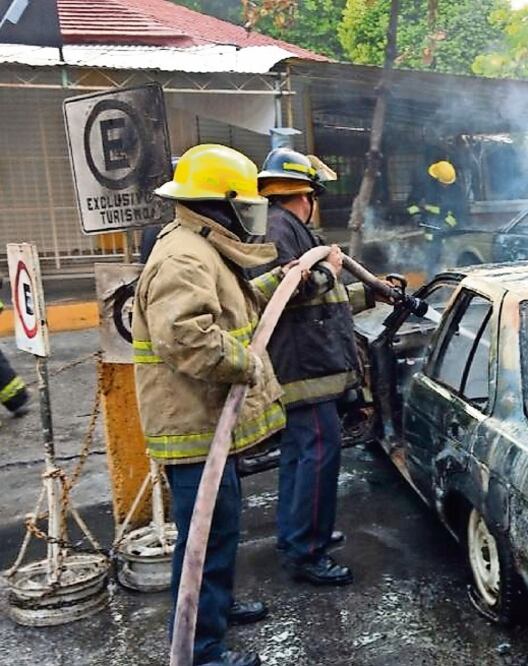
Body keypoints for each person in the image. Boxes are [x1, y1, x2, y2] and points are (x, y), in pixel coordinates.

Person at [132, 143, 335, 666]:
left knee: (216, 532)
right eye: (242, 204)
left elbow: (236, 305)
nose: (250, 213)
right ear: (219, 203)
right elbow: (186, 338)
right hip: (193, 422)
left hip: (201, 417)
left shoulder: (200, 246)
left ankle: (213, 610)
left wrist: (289, 279)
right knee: (205, 536)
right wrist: (247, 362)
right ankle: (201, 650)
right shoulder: (184, 256)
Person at [254, 148, 383, 585]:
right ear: (304, 194)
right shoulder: (279, 231)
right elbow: (284, 293)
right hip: (303, 372)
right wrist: (329, 266)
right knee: (314, 460)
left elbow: (324, 303)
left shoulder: (288, 229)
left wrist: (370, 294)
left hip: (311, 369)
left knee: (302, 458)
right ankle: (307, 551)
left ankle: (305, 535)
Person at [406, 159, 466, 276]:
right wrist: (416, 215)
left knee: (452, 263)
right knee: (432, 262)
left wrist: (447, 225)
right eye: (443, 182)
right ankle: (432, 283)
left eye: (448, 183)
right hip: (431, 233)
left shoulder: (457, 191)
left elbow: (460, 213)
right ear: (436, 178)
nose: (446, 185)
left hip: (451, 234)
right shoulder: (425, 187)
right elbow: (411, 203)